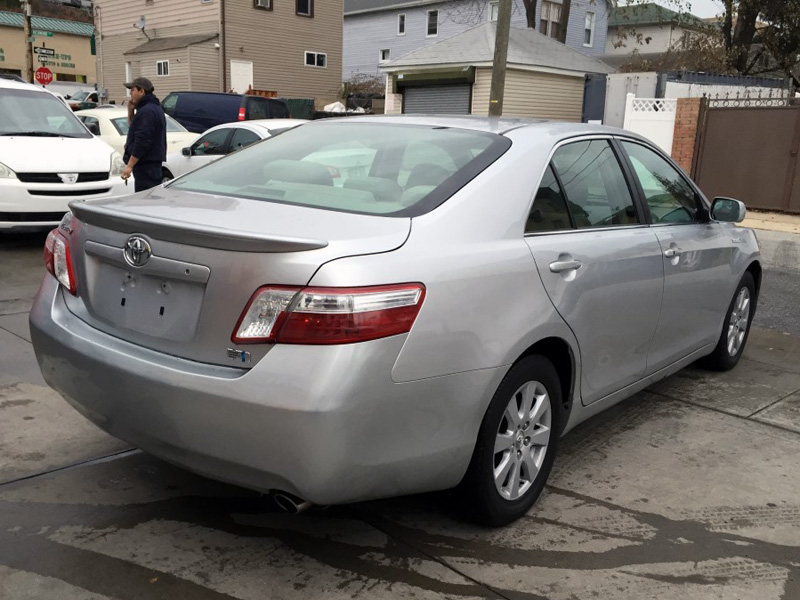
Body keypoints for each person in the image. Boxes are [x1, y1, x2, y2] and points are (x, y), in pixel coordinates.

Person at [121, 77, 167, 192]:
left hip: (147, 166)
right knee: (150, 199)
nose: (130, 94)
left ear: (141, 91)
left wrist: (129, 166)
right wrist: (130, 111)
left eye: (132, 90)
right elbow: (134, 129)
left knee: (146, 200)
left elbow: (142, 141)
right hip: (149, 165)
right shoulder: (152, 108)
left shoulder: (147, 111)